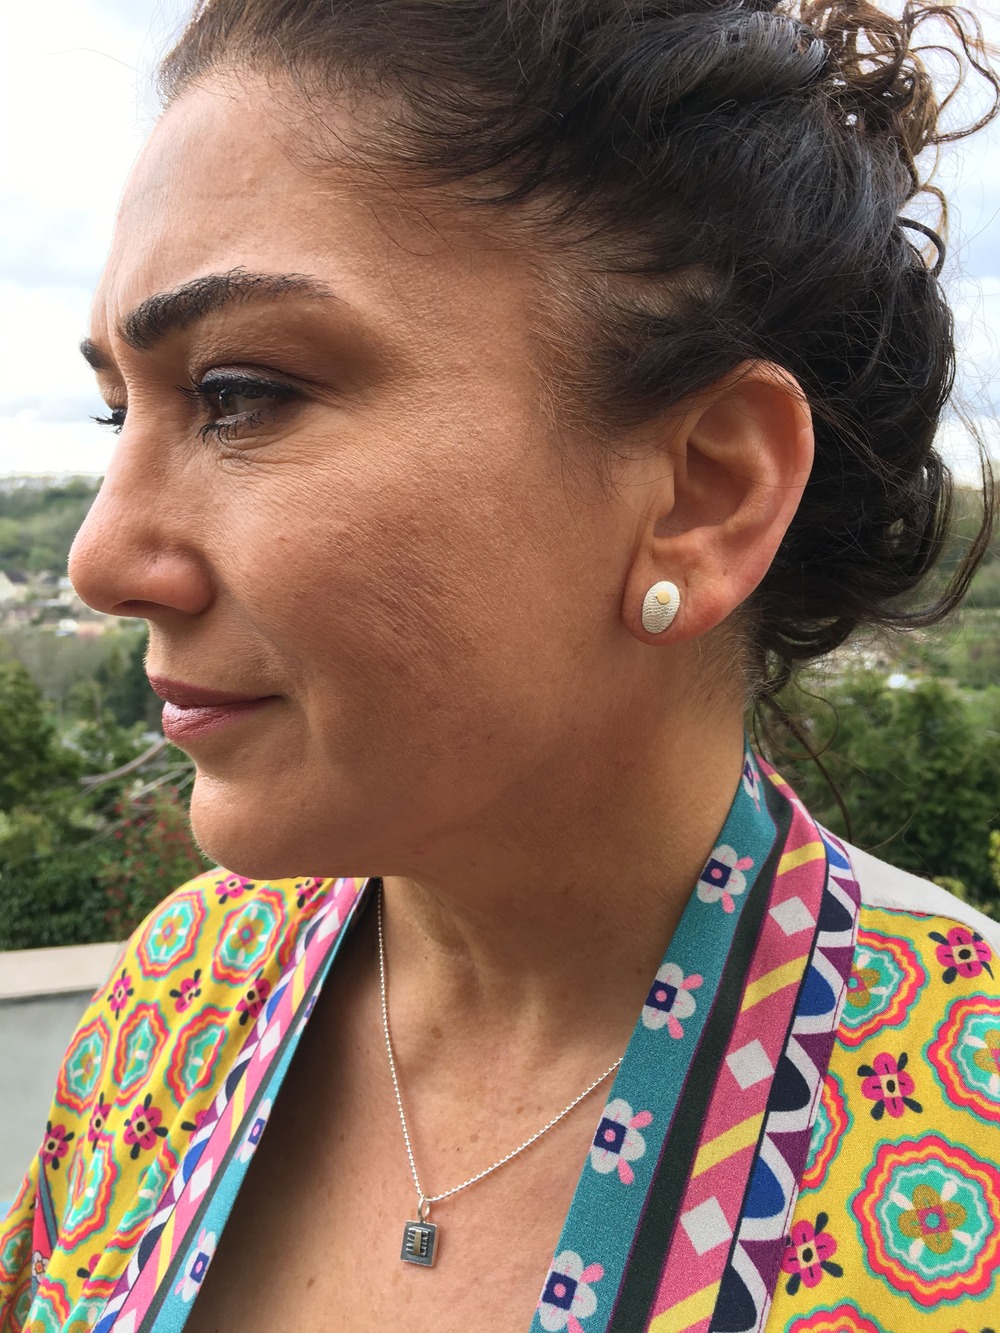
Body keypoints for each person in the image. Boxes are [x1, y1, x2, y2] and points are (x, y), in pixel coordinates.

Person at [2, 0, 999, 1329]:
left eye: (240, 393)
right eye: (117, 412)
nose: (101, 557)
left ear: (703, 492)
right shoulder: (173, 1002)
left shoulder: (965, 1120)